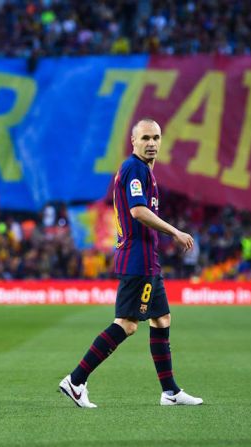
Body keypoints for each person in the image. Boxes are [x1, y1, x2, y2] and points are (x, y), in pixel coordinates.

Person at [59, 118, 203, 408]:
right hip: (137, 261)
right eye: (146, 138)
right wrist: (175, 231)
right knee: (126, 324)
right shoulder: (135, 169)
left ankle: (170, 392)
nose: (152, 143)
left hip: (148, 260)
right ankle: (76, 381)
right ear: (134, 142)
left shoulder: (144, 172)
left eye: (156, 137)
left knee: (161, 319)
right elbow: (138, 211)